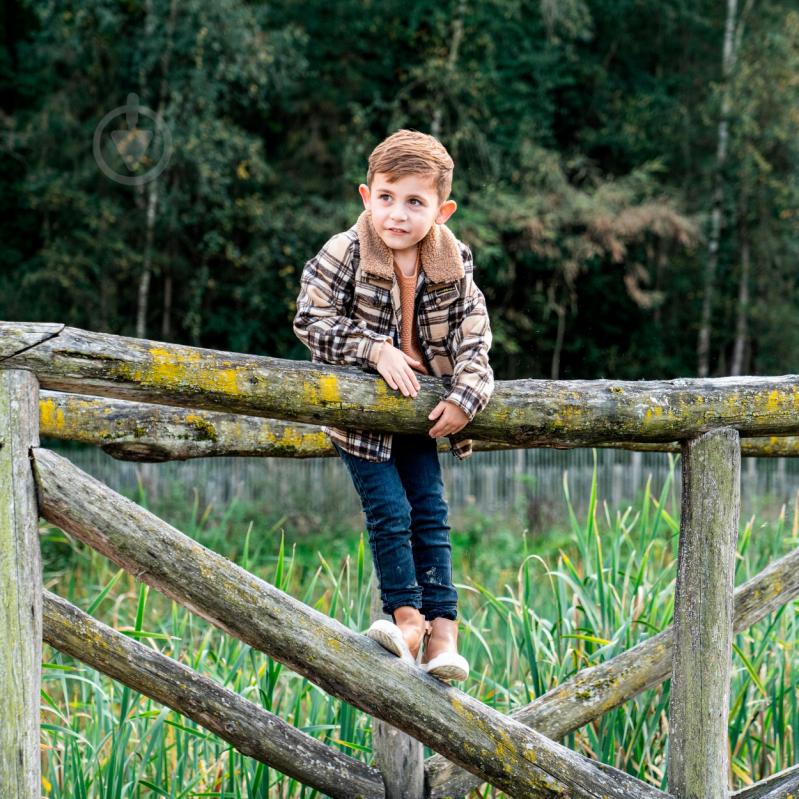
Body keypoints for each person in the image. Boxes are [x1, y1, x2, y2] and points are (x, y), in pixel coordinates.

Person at [293, 129, 493, 681]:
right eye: (386, 197)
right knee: (390, 511)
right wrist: (375, 348)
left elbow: (475, 339)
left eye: (414, 202)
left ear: (442, 210)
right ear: (366, 196)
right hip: (362, 417)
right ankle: (406, 617)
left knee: (430, 513)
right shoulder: (345, 251)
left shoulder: (454, 262)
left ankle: (443, 635)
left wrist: (465, 399)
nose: (397, 214)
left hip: (422, 414)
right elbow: (310, 321)